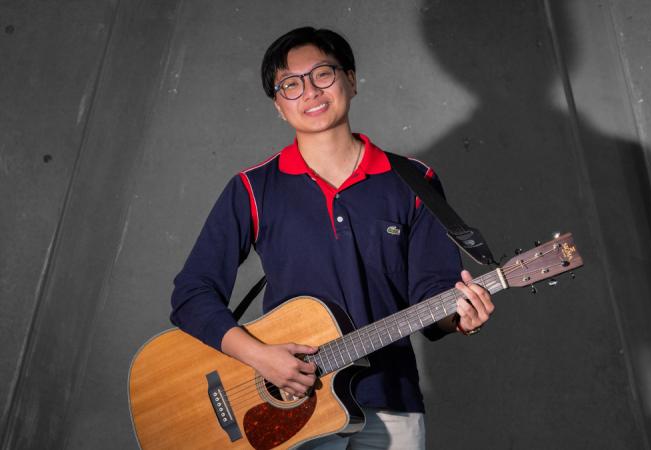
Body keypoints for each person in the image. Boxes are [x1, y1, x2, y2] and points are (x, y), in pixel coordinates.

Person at [169, 26, 494, 449]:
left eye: (323, 74)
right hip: (290, 409)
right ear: (278, 106)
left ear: (351, 80)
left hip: (391, 405)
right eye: (290, 84)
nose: (309, 92)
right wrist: (260, 357)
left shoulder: (414, 181)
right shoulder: (253, 188)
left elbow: (431, 293)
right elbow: (192, 295)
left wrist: (461, 316)